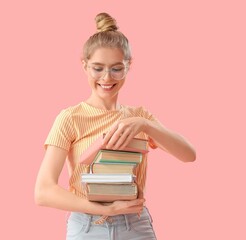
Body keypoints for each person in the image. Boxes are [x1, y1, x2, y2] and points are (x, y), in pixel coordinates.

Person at [35, 12, 196, 240]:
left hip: (135, 225)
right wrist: (106, 210)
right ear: (84, 65)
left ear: (129, 66)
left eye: (116, 68)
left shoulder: (139, 116)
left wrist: (145, 125)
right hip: (87, 226)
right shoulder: (70, 118)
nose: (107, 78)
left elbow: (189, 155)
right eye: (97, 68)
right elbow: (43, 191)